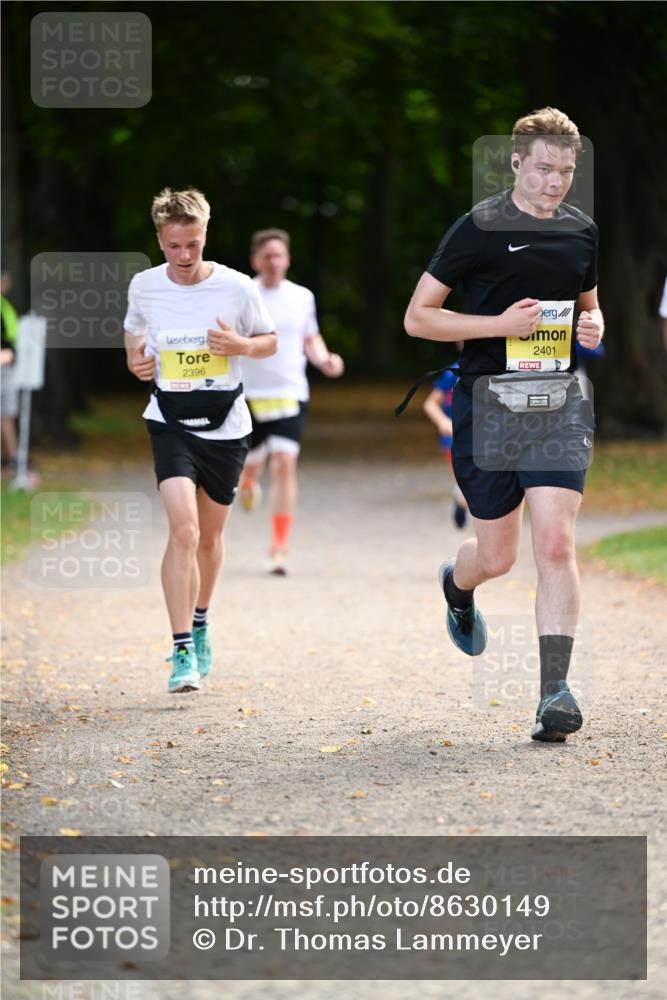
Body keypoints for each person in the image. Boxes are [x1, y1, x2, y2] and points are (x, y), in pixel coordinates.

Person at [404, 107, 604, 742]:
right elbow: (418, 317)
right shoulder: (478, 228)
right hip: (488, 407)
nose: (554, 183)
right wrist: (497, 326)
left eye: (566, 172)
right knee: (497, 556)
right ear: (516, 162)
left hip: (558, 404)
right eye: (544, 168)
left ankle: (554, 693)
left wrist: (593, 327)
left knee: (554, 543)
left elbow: (588, 310)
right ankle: (457, 585)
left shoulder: (581, 232)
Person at [124, 188, 277, 693]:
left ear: (204, 236)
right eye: (173, 247)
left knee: (209, 540)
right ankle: (181, 649)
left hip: (227, 425)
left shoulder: (235, 287)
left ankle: (203, 618)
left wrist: (240, 345)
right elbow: (134, 332)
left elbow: (268, 340)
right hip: (168, 420)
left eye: (192, 244)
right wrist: (135, 359)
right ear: (160, 241)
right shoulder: (145, 286)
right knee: (184, 533)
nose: (184, 257)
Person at [238, 229, 344, 575]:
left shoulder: (302, 297)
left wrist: (325, 359)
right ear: (256, 260)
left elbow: (310, 337)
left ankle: (279, 546)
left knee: (284, 463)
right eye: (266, 255)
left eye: (278, 255)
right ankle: (249, 482)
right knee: (252, 464)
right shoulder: (243, 293)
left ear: (287, 260)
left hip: (289, 392)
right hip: (249, 395)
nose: (273, 261)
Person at [422, 361, 469, 528]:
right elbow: (430, 403)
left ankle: (461, 500)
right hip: (454, 439)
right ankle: (462, 500)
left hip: (484, 437)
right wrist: (443, 421)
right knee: (466, 478)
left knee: (473, 480)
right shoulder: (454, 371)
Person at [1, 273, 19, 470]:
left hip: (6, 365)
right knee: (5, 414)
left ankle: (11, 457)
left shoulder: (4, 305)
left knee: (5, 414)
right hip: (3, 366)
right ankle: (13, 458)